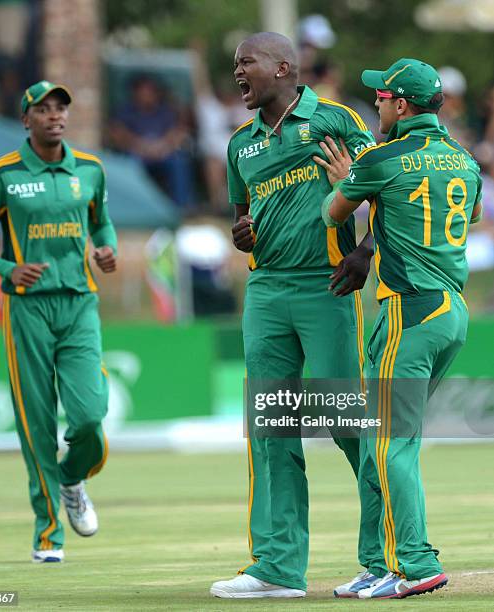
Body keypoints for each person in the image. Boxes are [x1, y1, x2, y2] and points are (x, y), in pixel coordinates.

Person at [210, 32, 377, 599]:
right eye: (234, 65)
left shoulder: (334, 119)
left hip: (326, 287)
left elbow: (388, 189)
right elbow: (242, 218)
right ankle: (277, 569)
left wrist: (366, 251)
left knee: (345, 422)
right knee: (271, 425)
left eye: (245, 63)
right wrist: (242, 234)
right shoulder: (240, 144)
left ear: (283, 67)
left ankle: (388, 555)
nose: (237, 73)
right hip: (266, 291)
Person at [322, 58, 482, 599]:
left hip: (407, 314)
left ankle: (413, 563)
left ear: (403, 105)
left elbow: (332, 213)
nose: (377, 105)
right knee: (377, 441)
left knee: (392, 444)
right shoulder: (464, 160)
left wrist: (347, 182)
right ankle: (376, 562)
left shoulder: (385, 158)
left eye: (383, 98)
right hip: (450, 312)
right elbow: (467, 216)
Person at [0, 80, 118, 563]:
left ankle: (72, 477)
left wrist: (106, 249)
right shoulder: (2, 175)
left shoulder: (89, 170)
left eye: (60, 108)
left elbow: (101, 224)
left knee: (90, 415)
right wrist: (9, 269)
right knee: (36, 421)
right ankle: (49, 530)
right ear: (25, 119)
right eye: (43, 109)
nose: (55, 116)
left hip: (78, 303)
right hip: (27, 307)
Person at [109, 74, 194, 209]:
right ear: (135, 92)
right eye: (143, 91)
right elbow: (117, 133)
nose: (147, 94)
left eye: (150, 91)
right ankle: (136, 206)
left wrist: (164, 146)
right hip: (137, 153)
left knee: (179, 162)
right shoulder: (126, 111)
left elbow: (178, 132)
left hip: (163, 153)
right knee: (130, 163)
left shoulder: (165, 110)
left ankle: (181, 207)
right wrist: (140, 146)